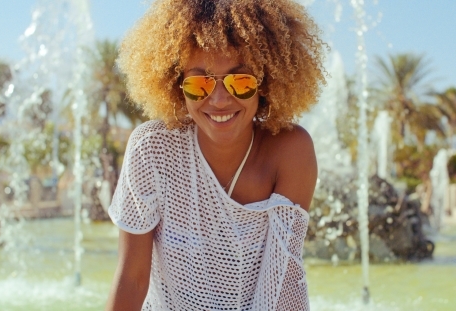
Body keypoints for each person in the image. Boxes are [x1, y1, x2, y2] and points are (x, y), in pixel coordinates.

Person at [105, 0, 326, 310]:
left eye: (240, 81)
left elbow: (283, 282)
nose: (219, 99)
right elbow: (132, 279)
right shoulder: (152, 149)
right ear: (176, 85)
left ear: (264, 84)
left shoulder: (289, 151)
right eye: (199, 84)